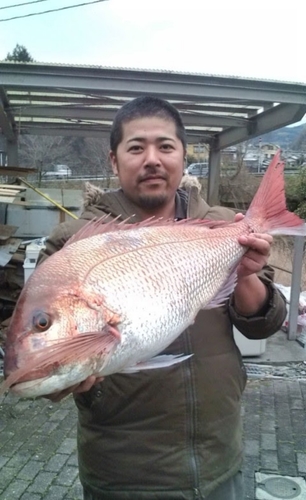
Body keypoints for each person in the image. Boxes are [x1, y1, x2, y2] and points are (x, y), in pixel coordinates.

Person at [37, 96, 287, 500]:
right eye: (136, 147)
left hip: (219, 458)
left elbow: (266, 322)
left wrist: (246, 275)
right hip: (124, 474)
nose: (152, 159)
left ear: (183, 156)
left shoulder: (224, 227)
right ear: (114, 161)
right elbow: (36, 352)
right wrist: (63, 380)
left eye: (165, 146)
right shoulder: (74, 244)